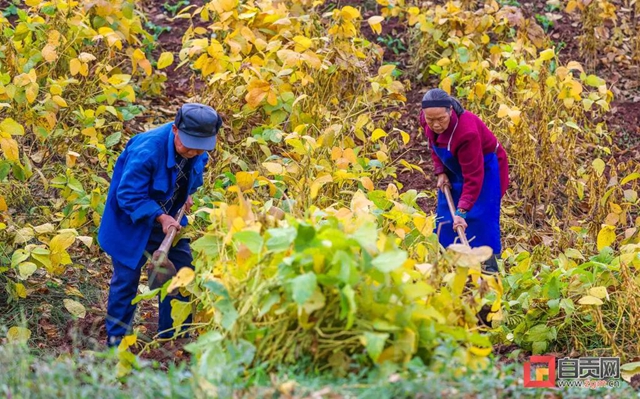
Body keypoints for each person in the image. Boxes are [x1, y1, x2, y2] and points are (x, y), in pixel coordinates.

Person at [98, 103, 222, 347]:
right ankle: (116, 342)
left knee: (182, 273)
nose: (193, 152)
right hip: (131, 223)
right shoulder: (147, 150)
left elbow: (193, 175)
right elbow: (128, 195)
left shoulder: (198, 149)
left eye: (200, 148)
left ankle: (173, 337)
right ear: (175, 129)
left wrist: (187, 194)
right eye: (188, 145)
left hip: (170, 221)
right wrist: (160, 216)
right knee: (126, 281)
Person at [419, 89, 509, 273]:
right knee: (445, 218)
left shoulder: (467, 133)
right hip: (454, 167)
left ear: (450, 111)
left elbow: (474, 177)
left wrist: (462, 211)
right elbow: (433, 145)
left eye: (440, 119)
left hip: (484, 168)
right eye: (430, 120)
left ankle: (489, 270)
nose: (435, 124)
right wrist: (440, 172)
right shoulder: (427, 118)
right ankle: (448, 267)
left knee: (481, 219)